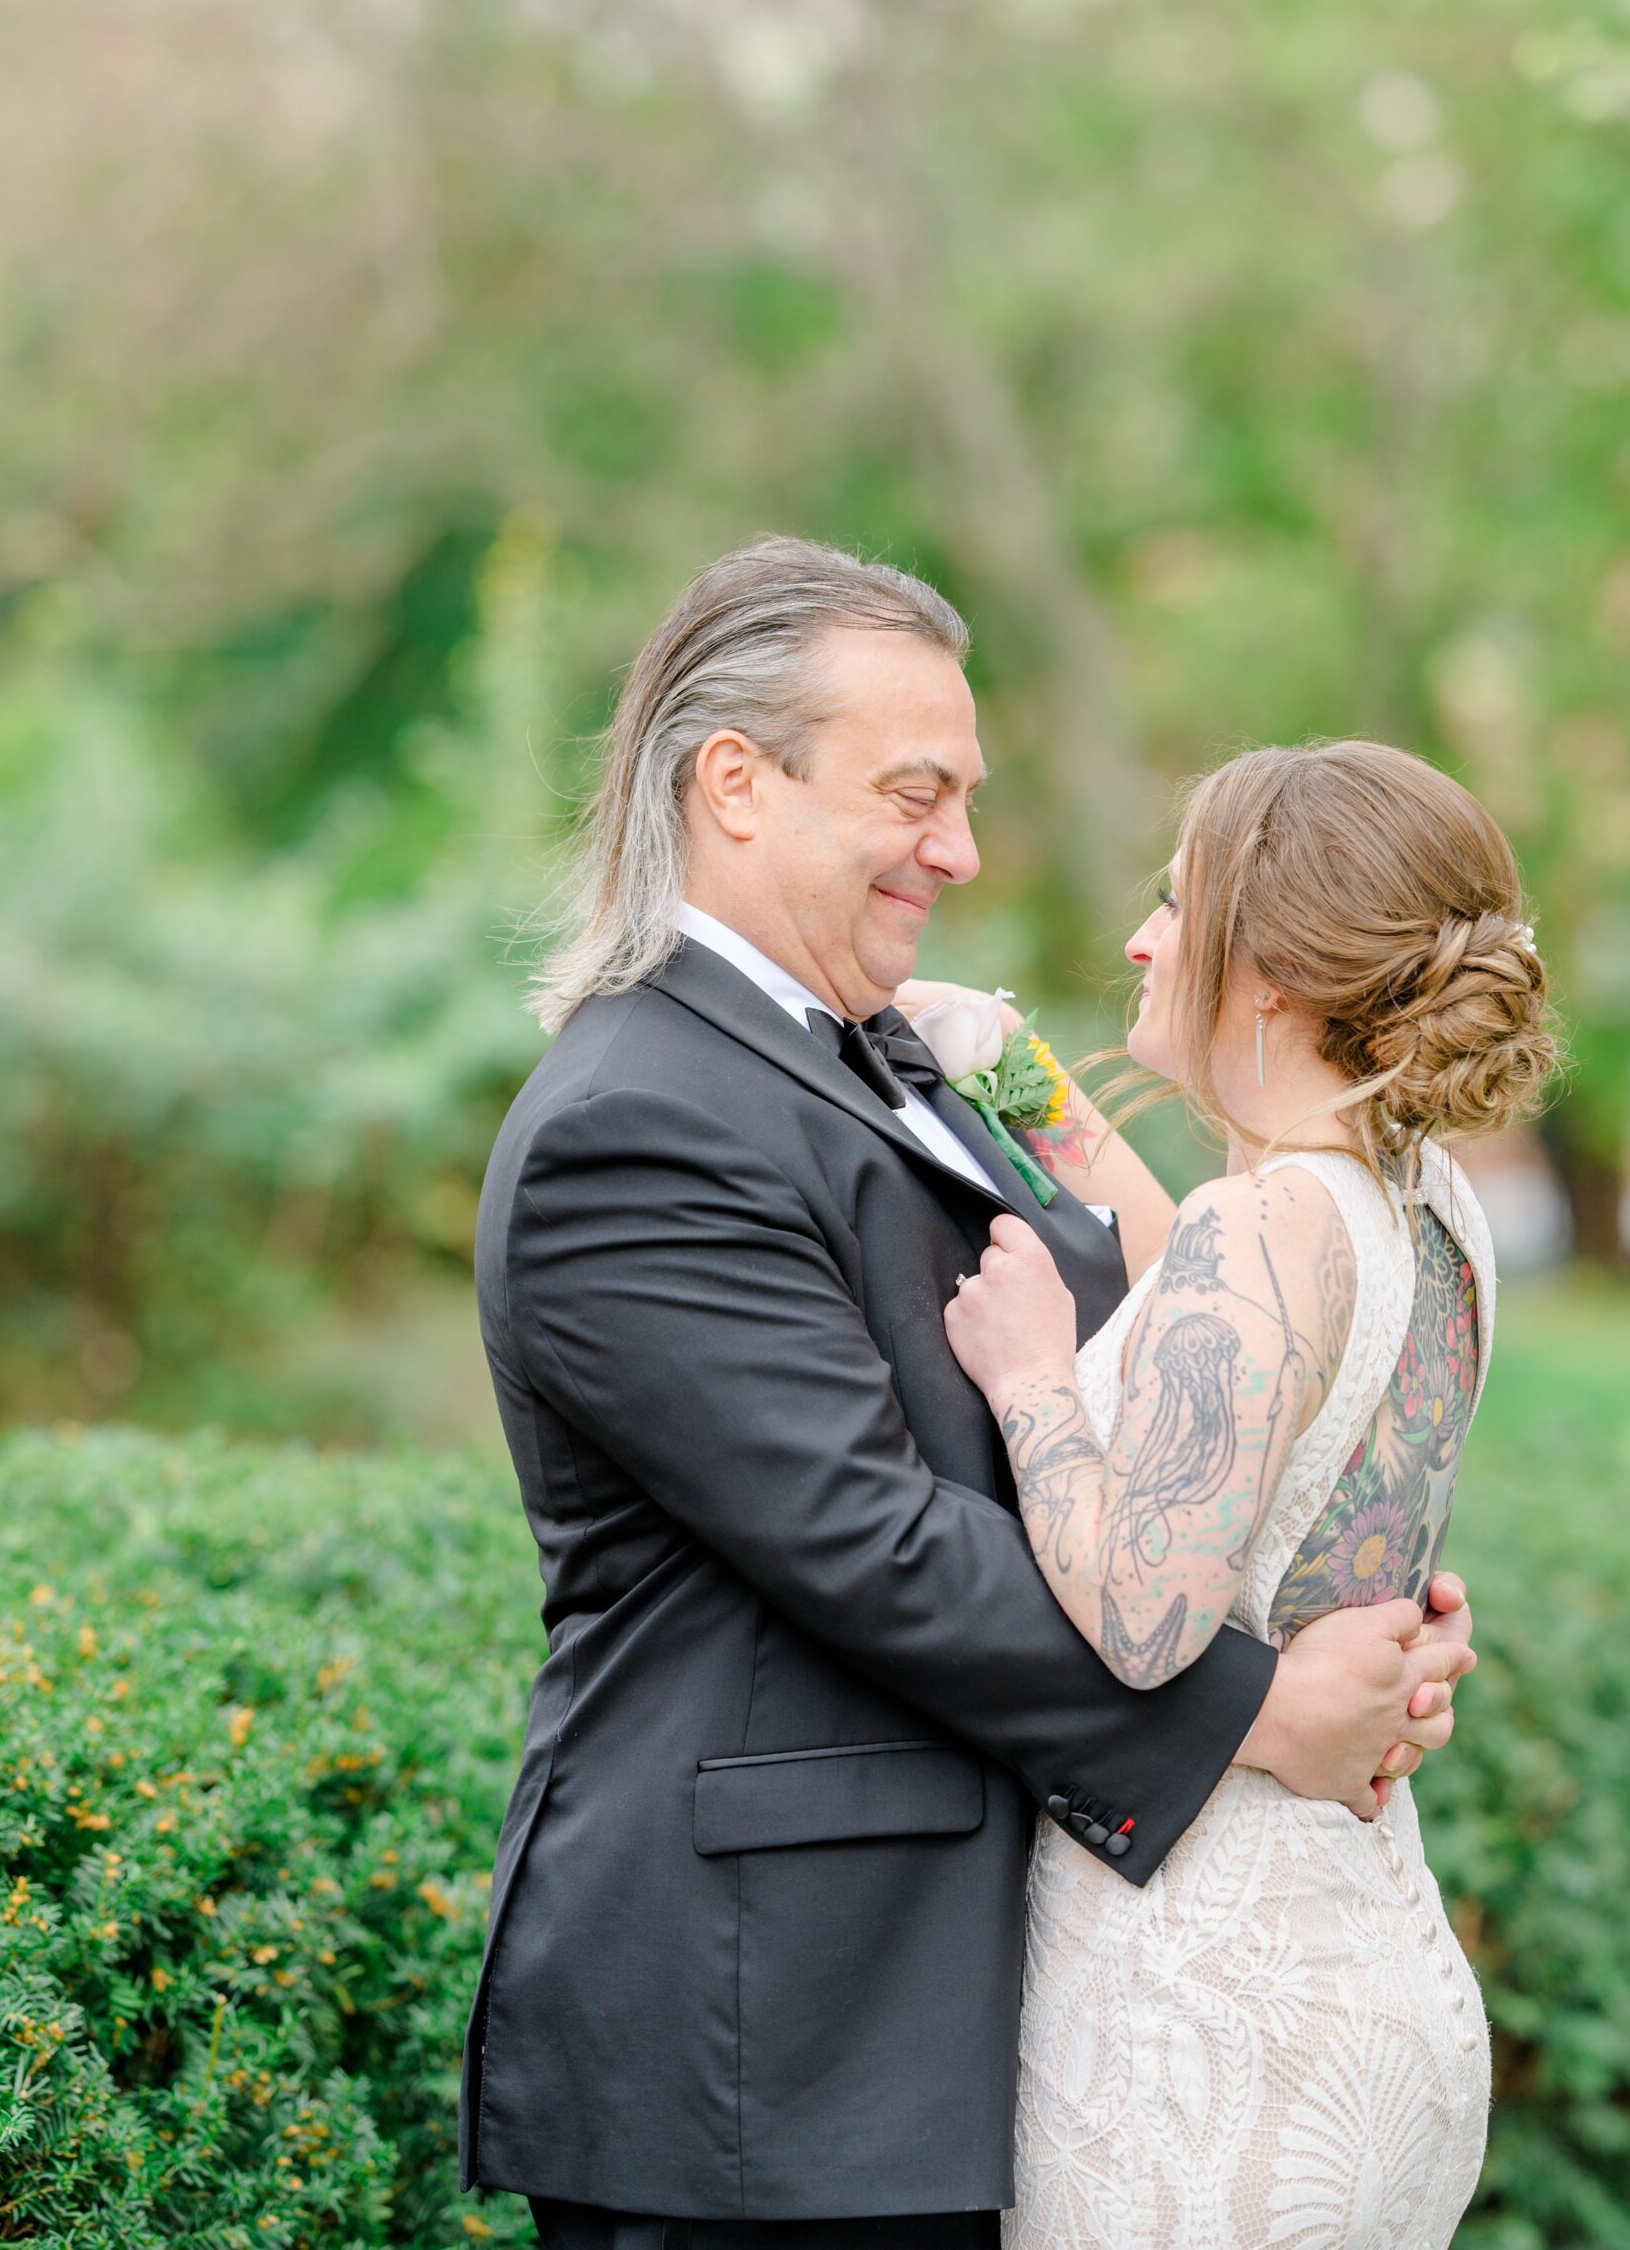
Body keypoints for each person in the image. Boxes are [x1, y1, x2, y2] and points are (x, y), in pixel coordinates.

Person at [458, 538, 1476, 2250]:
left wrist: (1345, 1588)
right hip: (764, 2041)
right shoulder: (633, 1124)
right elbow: (871, 1541)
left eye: (969, 795)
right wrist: (1256, 1711)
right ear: (736, 787)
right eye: (915, 795)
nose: (963, 850)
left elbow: (1187, 1374)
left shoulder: (911, 1058)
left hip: (954, 2007)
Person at [940, 739, 1557, 2250]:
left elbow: (1147, 1626)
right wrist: (1009, 1073)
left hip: (1208, 2017)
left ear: (1269, 971)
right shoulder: (1422, 1203)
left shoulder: (1267, 1222)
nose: (1143, 938)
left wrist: (1027, 1382)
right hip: (1368, 1969)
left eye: (1175, 902)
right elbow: (1197, 1304)